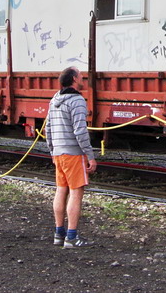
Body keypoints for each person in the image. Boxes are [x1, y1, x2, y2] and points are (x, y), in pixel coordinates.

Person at [45, 66, 97, 248]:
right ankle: (72, 237)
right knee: (76, 193)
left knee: (61, 190)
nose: (83, 78)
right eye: (81, 76)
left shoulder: (54, 99)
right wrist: (90, 156)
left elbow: (48, 128)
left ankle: (59, 234)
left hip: (58, 153)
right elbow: (80, 131)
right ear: (74, 79)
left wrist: (52, 151)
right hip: (73, 154)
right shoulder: (77, 101)